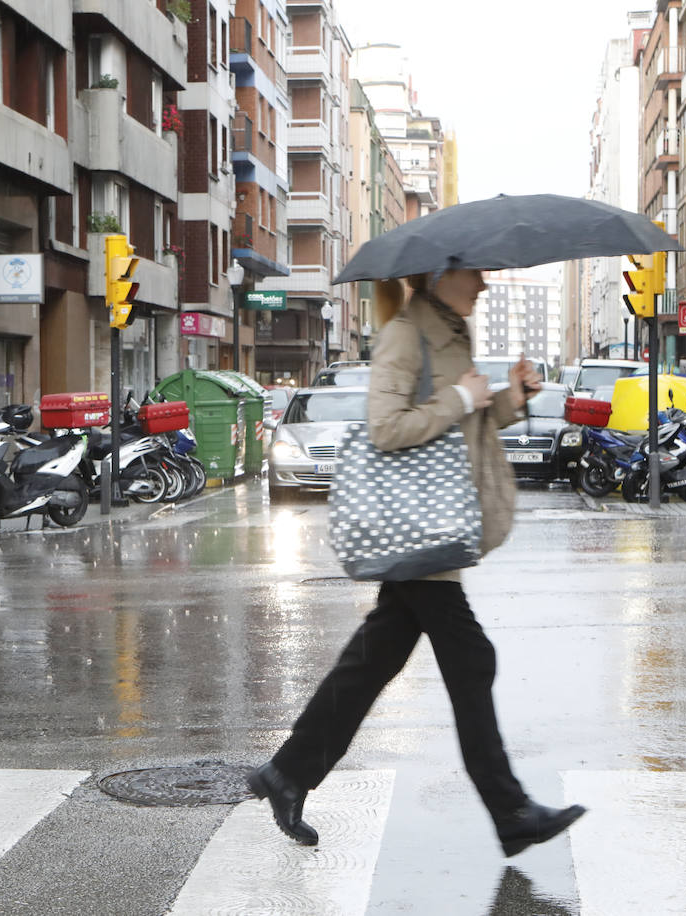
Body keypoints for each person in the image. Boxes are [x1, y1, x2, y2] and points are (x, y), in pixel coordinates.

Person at [247, 268, 587, 858]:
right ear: (441, 275)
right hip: (417, 525)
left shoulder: (450, 335)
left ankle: (287, 774)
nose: (482, 284)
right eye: (473, 273)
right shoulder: (407, 335)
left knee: (370, 661)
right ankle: (510, 812)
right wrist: (460, 396)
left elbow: (465, 426)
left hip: (430, 527)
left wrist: (511, 398)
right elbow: (386, 427)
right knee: (470, 658)